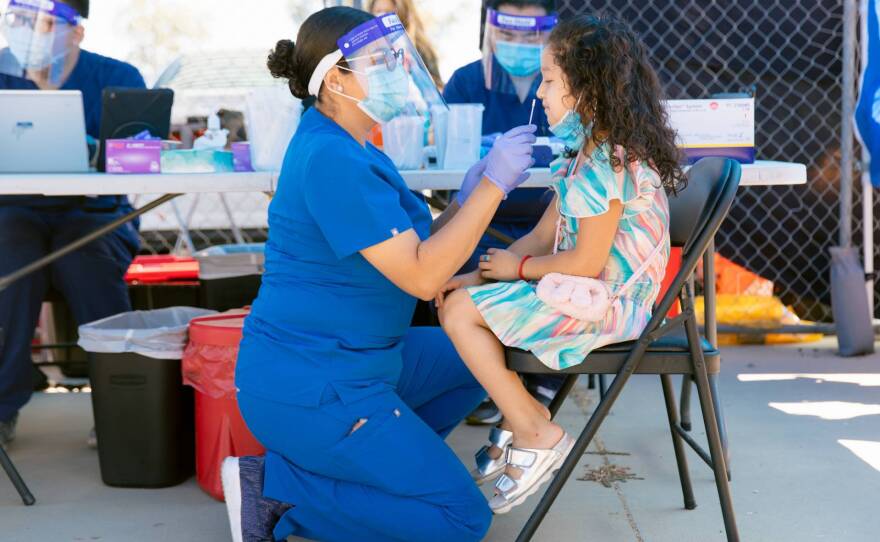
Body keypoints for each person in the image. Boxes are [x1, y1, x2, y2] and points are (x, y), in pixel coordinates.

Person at [220, 8, 536, 541]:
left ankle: (374, 470)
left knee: (479, 354)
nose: (397, 70)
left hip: (357, 362)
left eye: (397, 58)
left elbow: (410, 248)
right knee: (462, 520)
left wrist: (461, 202)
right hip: (315, 383)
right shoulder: (331, 157)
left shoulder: (353, 141)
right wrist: (492, 191)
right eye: (381, 61)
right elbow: (421, 279)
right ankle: (276, 490)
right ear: (336, 78)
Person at [436, 14, 685, 514]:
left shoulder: (605, 162)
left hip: (612, 305)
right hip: (581, 291)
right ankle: (525, 418)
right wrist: (471, 274)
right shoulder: (581, 155)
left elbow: (586, 259)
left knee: (461, 315)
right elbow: (538, 237)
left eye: (550, 81)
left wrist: (516, 271)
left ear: (587, 89)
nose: (539, 94)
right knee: (461, 301)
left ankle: (532, 429)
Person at [0, 0, 145, 445]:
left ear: (76, 32)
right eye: (18, 18)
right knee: (10, 266)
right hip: (14, 211)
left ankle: (120, 406)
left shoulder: (118, 78)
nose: (27, 30)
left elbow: (143, 155)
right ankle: (4, 407)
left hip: (95, 212)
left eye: (41, 22)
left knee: (89, 262)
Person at [444, 0, 562, 425]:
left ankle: (542, 377)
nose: (518, 45)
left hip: (549, 226)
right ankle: (488, 380)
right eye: (508, 34)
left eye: (530, 35)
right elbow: (445, 161)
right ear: (491, 30)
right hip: (483, 225)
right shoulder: (466, 83)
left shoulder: (564, 85)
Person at [367, 0, 442, 88]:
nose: (382, 16)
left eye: (388, 12)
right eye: (378, 11)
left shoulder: (421, 48)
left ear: (403, 14)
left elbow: (438, 87)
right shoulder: (368, 51)